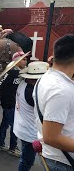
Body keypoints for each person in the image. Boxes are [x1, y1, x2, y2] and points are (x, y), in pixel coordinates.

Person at [34, 34, 74, 170]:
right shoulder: (61, 90)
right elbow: (51, 137)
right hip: (62, 162)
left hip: (55, 158)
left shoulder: (46, 77)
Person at [14, 61, 48, 171]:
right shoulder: (32, 92)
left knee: (26, 159)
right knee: (27, 161)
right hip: (30, 131)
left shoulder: (23, 84)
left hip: (23, 126)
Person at [0, 50, 27, 157]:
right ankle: (12, 147)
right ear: (16, 61)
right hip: (8, 103)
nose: (26, 62)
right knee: (14, 125)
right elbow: (0, 85)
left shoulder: (21, 72)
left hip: (14, 103)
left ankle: (0, 143)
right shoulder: (11, 72)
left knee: (5, 123)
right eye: (24, 59)